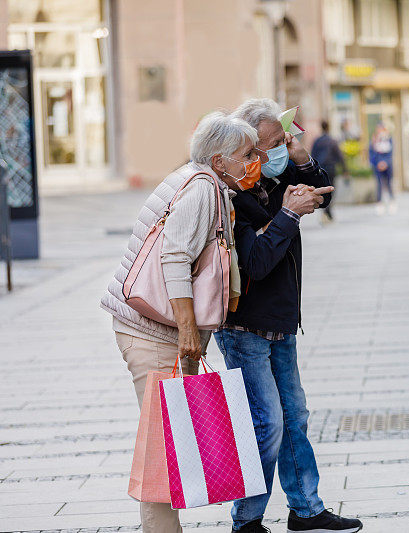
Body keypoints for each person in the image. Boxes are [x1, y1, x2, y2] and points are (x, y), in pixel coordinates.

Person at [101, 112, 262, 533]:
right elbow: (174, 256)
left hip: (152, 327)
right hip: (152, 330)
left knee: (166, 445)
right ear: (219, 159)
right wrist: (189, 330)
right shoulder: (202, 190)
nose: (255, 160)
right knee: (160, 450)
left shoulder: (200, 180)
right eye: (247, 154)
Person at [215, 98, 362, 533]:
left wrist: (302, 159)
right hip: (244, 327)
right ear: (246, 149)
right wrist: (288, 214)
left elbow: (320, 184)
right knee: (268, 422)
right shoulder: (229, 196)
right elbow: (256, 262)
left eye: (283, 141)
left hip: (280, 321)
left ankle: (306, 508)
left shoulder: (274, 174)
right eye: (272, 144)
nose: (280, 150)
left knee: (294, 417)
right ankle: (247, 519)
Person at [311, 119, 346, 221]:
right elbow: (339, 156)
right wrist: (344, 169)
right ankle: (328, 210)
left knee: (323, 190)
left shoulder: (317, 141)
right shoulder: (332, 141)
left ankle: (327, 210)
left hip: (320, 169)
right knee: (331, 190)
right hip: (331, 169)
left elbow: (312, 156)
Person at [368, 122, 395, 214]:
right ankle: (379, 203)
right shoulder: (374, 140)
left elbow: (390, 153)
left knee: (389, 183)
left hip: (387, 165)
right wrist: (378, 163)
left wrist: (385, 163)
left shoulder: (389, 139)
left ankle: (392, 202)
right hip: (378, 166)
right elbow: (372, 154)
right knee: (379, 185)